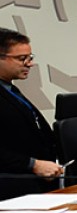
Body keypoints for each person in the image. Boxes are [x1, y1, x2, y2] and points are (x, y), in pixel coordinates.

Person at [0, 28, 62, 199]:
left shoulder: (11, 89)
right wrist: (32, 164)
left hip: (34, 185)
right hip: (11, 190)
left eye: (30, 57)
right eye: (22, 58)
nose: (29, 64)